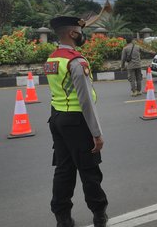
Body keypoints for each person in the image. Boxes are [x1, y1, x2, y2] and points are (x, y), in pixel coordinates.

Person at [45, 16, 108, 227]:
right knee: (89, 171)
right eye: (80, 31)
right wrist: (96, 133)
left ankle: (62, 218)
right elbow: (86, 100)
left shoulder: (53, 58)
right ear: (73, 33)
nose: (83, 35)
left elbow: (57, 92)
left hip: (57, 118)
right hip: (77, 121)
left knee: (64, 170)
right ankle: (99, 214)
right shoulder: (76, 61)